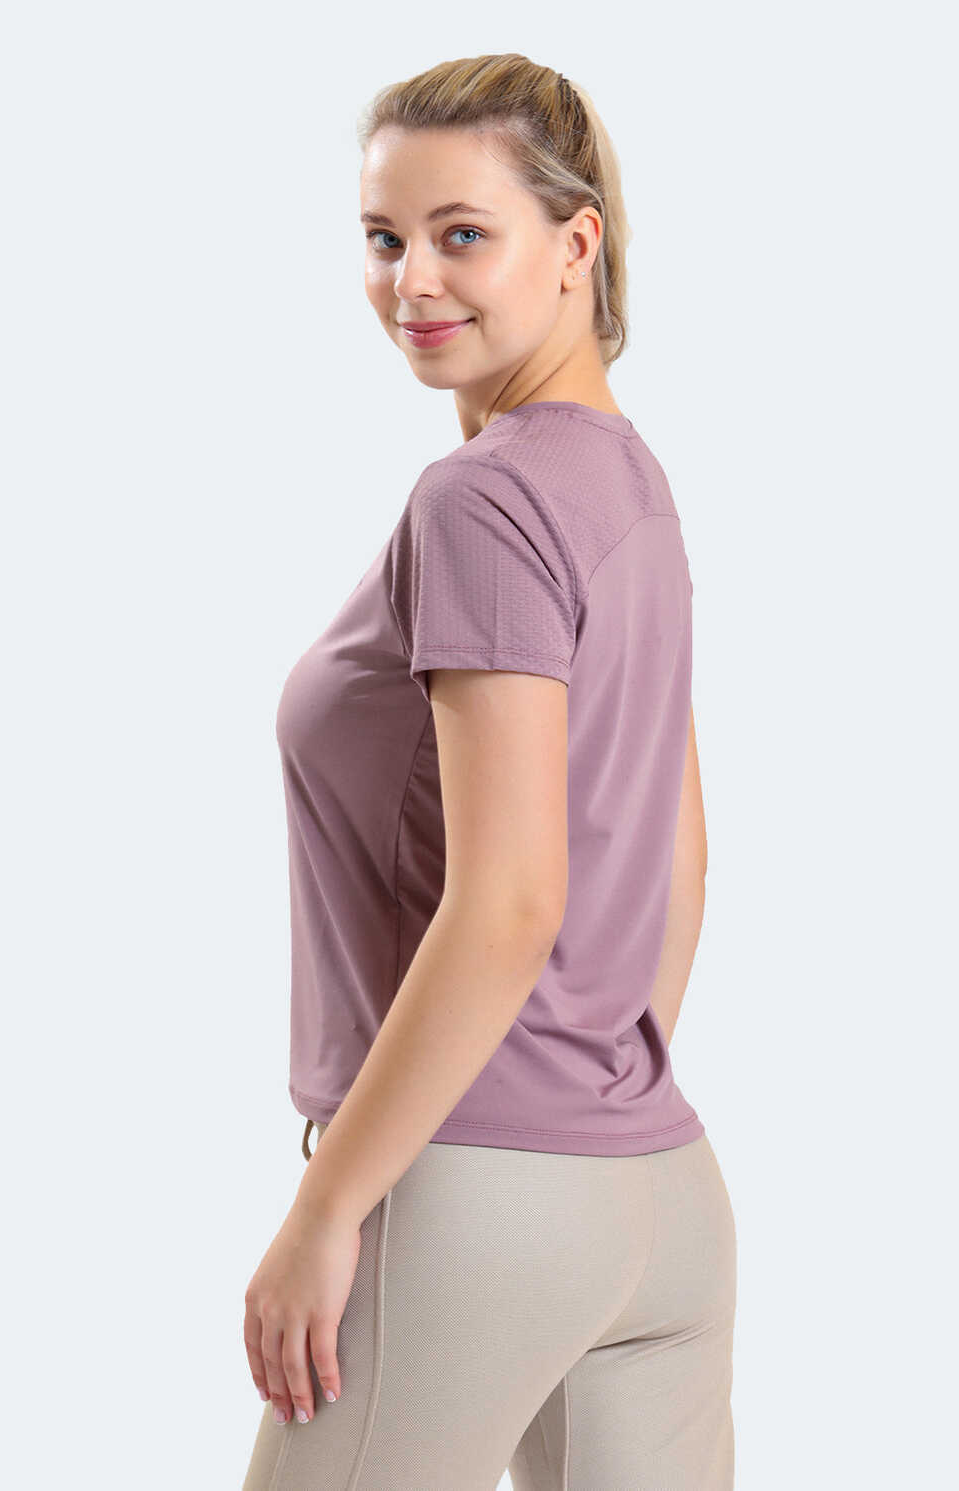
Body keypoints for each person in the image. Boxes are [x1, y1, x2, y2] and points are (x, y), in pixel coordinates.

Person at [240, 52, 736, 1491]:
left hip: (472, 1196)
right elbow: (681, 852)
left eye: (463, 233)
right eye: (383, 237)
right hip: (656, 1192)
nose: (413, 282)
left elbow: (511, 897)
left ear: (576, 243)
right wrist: (590, 1107)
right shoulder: (630, 483)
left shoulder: (484, 498)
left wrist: (326, 1211)